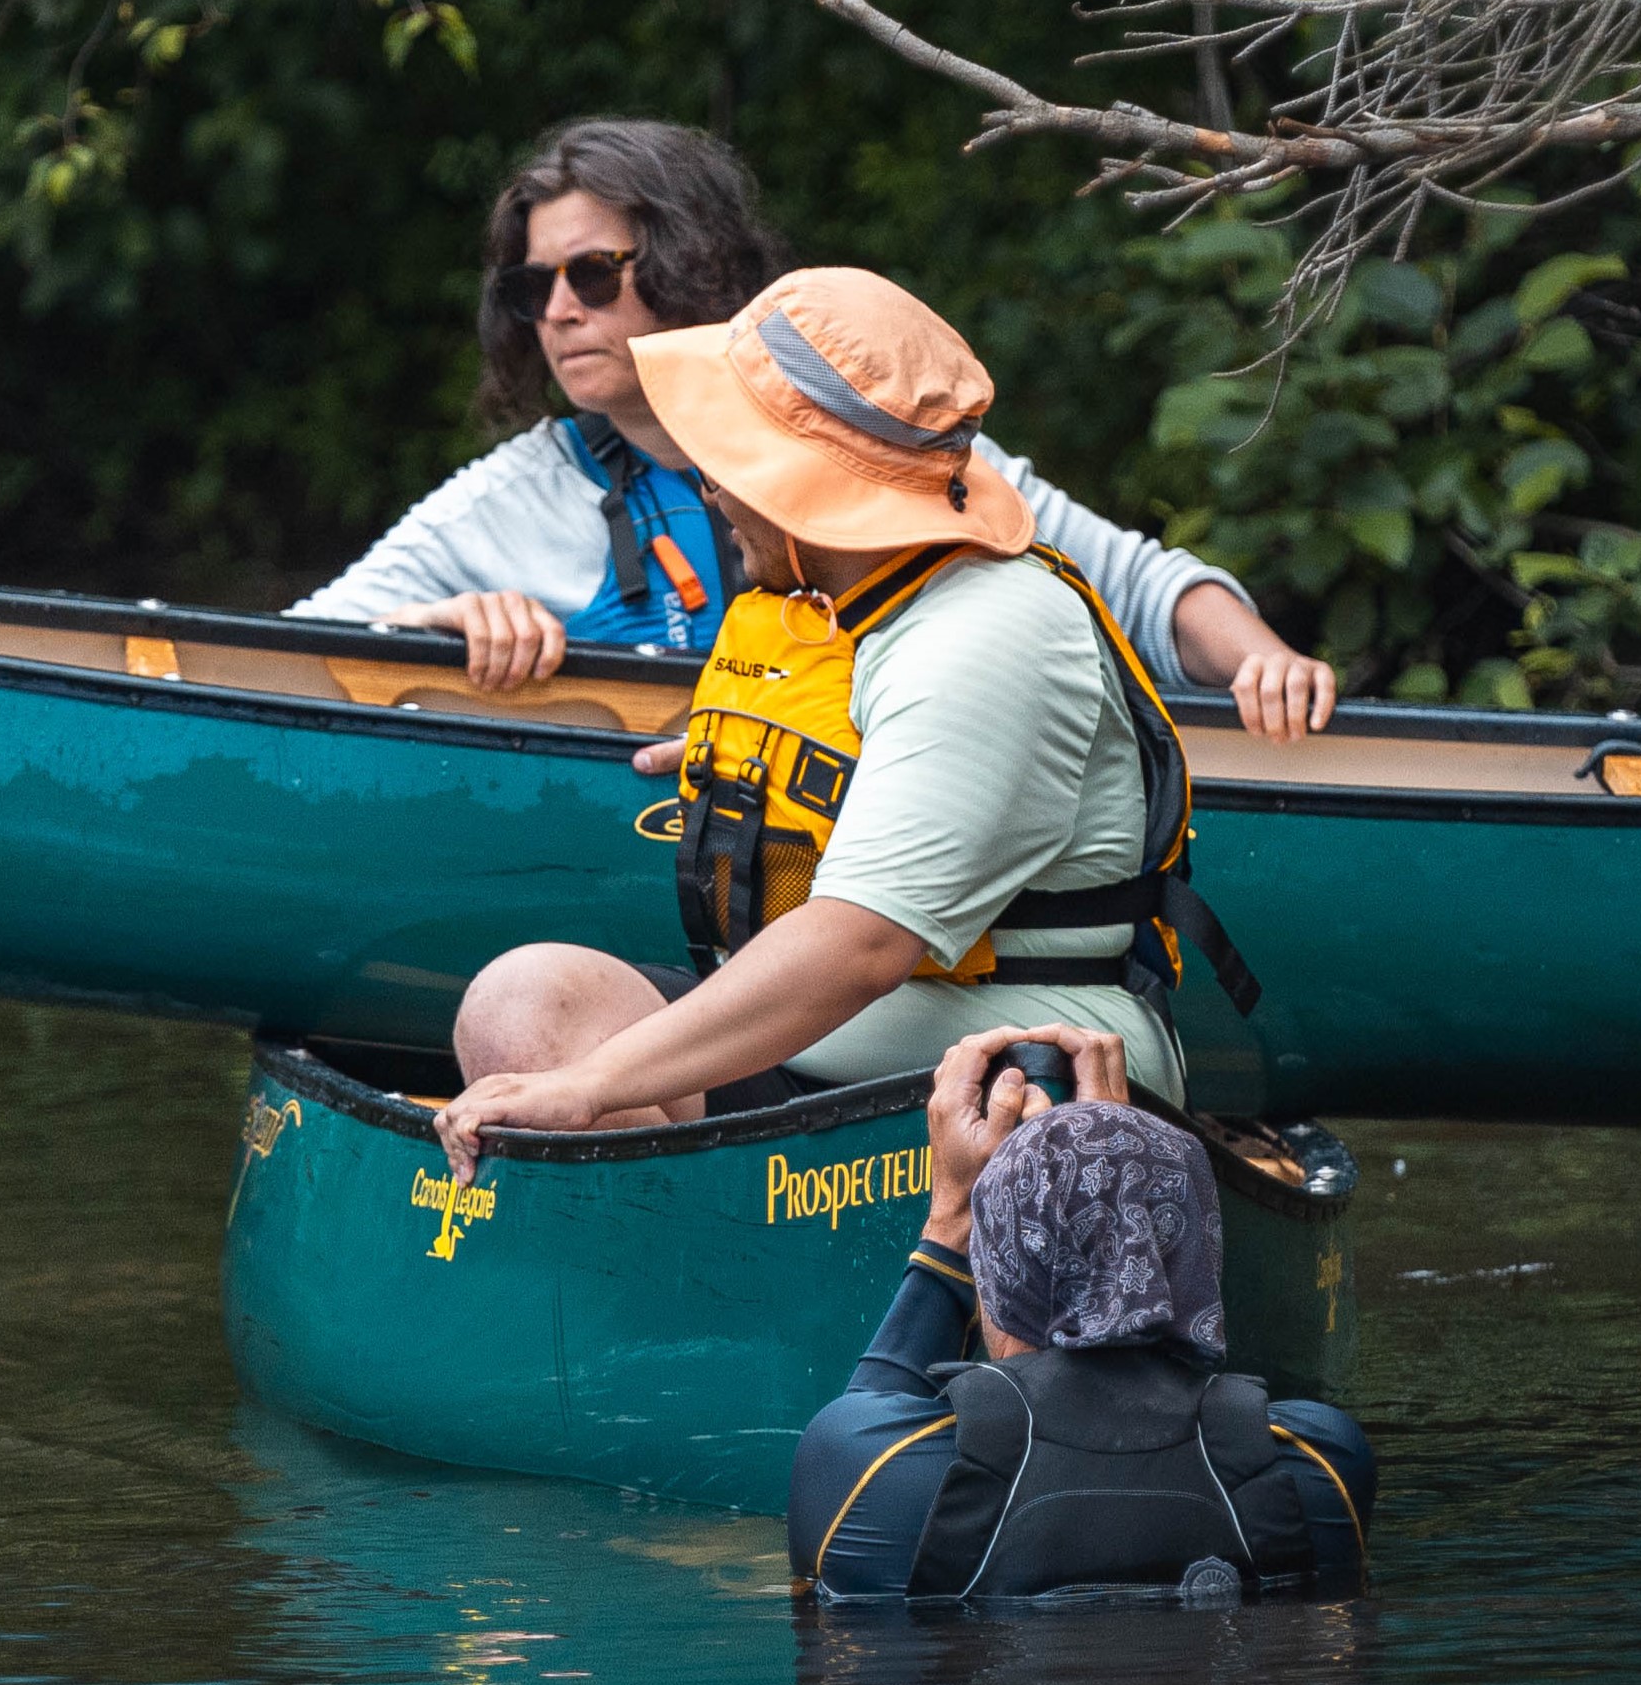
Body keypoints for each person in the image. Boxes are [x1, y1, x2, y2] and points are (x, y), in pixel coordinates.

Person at [431, 266, 1253, 1173]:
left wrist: (590, 1087)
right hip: (817, 1056)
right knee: (525, 1007)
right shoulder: (859, 603)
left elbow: (861, 943)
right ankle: (677, 1271)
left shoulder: (989, 632)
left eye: (729, 459)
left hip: (1014, 1077)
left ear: (799, 487)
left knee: (573, 1067)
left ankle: (719, 1273)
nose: (707, 486)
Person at [288, 118, 1337, 745]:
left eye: (594, 274)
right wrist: (423, 637)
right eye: (533, 285)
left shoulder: (863, 431)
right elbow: (291, 657)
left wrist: (1264, 664)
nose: (560, 310)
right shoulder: (502, 499)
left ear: (686, 261)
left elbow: (1139, 588)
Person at [788, 1024, 1376, 1601]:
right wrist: (1124, 1169)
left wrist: (952, 1222)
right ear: (1198, 1252)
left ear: (995, 1275)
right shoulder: (1322, 1466)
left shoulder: (875, 1473)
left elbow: (859, 1423)